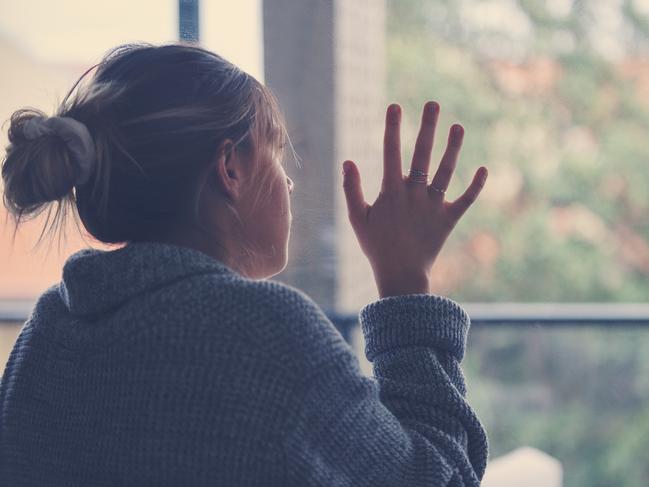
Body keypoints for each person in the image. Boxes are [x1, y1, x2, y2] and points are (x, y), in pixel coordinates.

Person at [0, 43, 489, 486]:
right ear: (230, 168)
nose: (290, 184)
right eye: (277, 152)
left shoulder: (48, 331)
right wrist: (405, 284)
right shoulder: (266, 334)